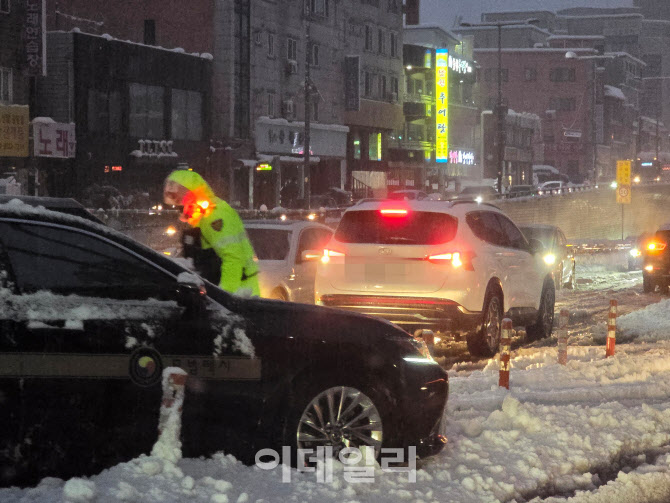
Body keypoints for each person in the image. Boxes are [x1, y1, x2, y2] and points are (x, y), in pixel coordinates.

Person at [163, 169, 260, 296]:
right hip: (229, 287)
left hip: (240, 290)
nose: (178, 206)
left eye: (180, 200)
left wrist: (224, 297)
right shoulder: (203, 216)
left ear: (192, 195)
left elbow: (232, 259)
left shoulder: (214, 216)